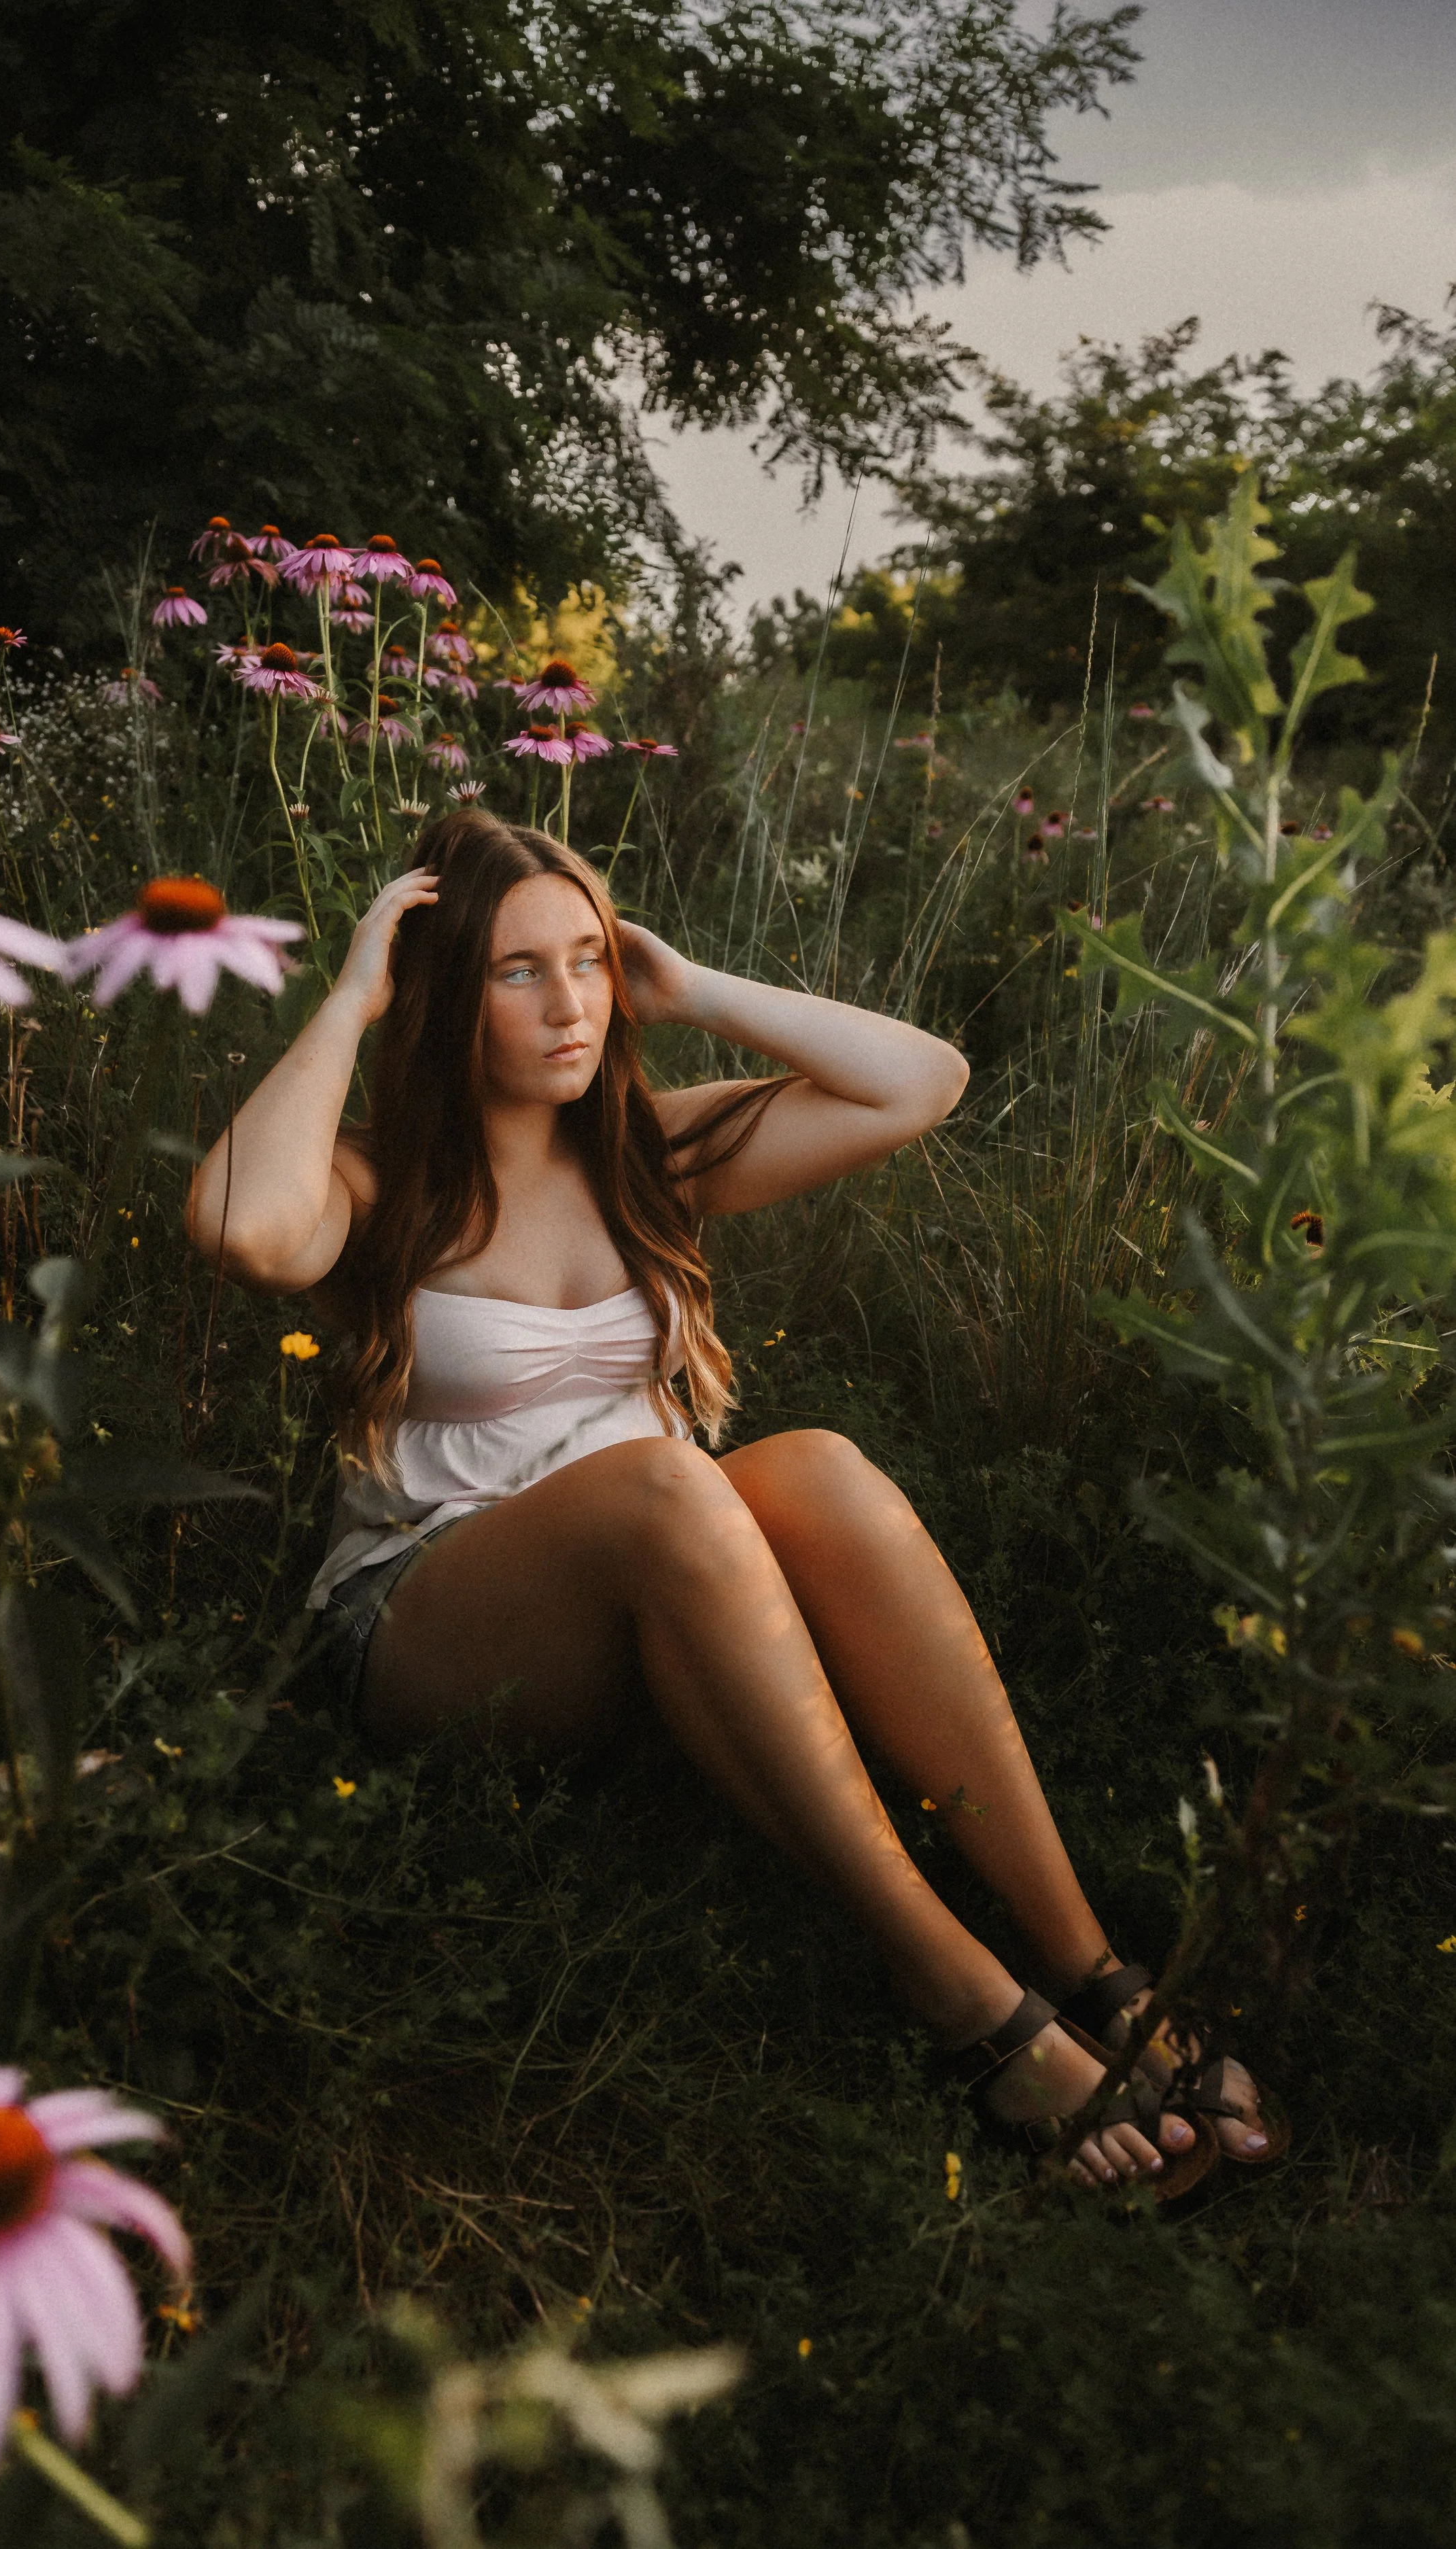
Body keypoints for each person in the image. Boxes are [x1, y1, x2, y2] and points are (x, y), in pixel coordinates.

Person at [188, 808, 1278, 2193]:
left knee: (811, 1464)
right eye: (519, 970)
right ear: (441, 991)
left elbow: (919, 1082)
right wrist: (352, 994)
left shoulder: (649, 1153)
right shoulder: (371, 1182)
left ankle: (1090, 1968)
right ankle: (966, 2003)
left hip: (675, 1587)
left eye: (585, 959)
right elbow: (237, 1226)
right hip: (432, 1625)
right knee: (660, 1481)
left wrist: (689, 986)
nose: (570, 1000)